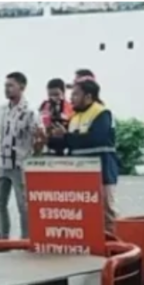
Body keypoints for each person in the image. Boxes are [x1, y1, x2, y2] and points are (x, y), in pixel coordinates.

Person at [43, 79, 120, 233]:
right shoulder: (75, 117)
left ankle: (113, 248)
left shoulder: (101, 113)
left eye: (76, 95)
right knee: (85, 214)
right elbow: (68, 142)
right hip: (81, 175)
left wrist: (65, 137)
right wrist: (48, 139)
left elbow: (95, 138)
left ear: (88, 96)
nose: (71, 99)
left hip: (103, 172)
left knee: (107, 212)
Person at [0, 71, 38, 239]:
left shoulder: (30, 112)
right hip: (1, 163)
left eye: (11, 85)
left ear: (22, 87)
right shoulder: (0, 110)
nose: (7, 89)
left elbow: (35, 138)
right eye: (5, 86)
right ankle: (3, 238)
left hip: (20, 164)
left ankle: (26, 239)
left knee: (23, 205)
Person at [39, 78, 74, 151]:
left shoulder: (71, 107)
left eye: (56, 94)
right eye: (50, 95)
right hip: (47, 145)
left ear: (63, 93)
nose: (53, 97)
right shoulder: (43, 107)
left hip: (65, 145)